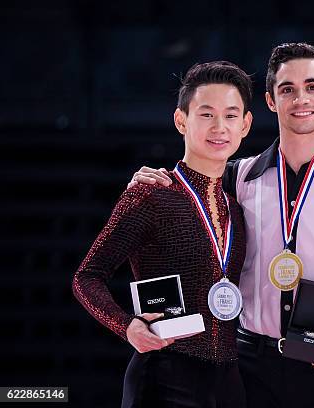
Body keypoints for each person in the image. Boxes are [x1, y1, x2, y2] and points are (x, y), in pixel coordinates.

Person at [129, 43, 314, 408]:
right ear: (269, 101)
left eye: (312, 87)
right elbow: (182, 208)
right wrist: (147, 184)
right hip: (246, 367)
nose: (301, 99)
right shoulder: (237, 176)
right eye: (287, 89)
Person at [73, 61, 253, 408]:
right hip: (166, 375)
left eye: (231, 116)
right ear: (181, 120)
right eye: (206, 114)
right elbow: (87, 276)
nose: (220, 127)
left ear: (245, 124)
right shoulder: (150, 193)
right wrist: (126, 326)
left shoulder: (237, 206)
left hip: (230, 381)